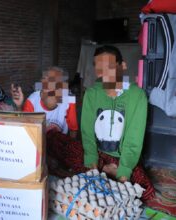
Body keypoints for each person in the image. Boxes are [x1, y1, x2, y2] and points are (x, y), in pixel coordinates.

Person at [65, 45, 155, 201]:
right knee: (60, 145)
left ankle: (112, 173)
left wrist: (123, 171)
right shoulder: (92, 94)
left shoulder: (137, 96)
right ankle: (103, 171)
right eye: (98, 67)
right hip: (98, 155)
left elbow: (134, 137)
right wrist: (92, 163)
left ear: (123, 65)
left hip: (122, 158)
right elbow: (87, 132)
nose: (103, 72)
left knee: (145, 189)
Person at [11, 66, 78, 138]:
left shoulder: (68, 100)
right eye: (45, 79)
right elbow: (23, 127)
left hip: (60, 145)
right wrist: (19, 106)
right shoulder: (33, 100)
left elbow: (73, 129)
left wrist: (70, 147)